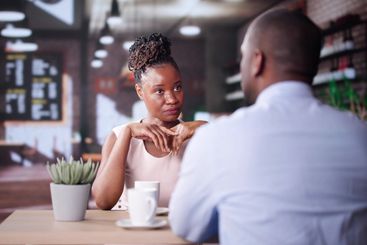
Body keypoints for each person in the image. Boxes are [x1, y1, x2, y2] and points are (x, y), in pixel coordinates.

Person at [169, 9, 367, 245]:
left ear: (257, 61)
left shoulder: (217, 138)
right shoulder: (359, 134)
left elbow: (186, 226)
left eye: (243, 57)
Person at [92, 33, 206, 210]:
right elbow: (103, 201)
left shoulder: (196, 136)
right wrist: (127, 134)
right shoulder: (118, 137)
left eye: (177, 87)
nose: (172, 99)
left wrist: (204, 127)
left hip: (179, 236)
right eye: (159, 91)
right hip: (129, 235)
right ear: (140, 92)